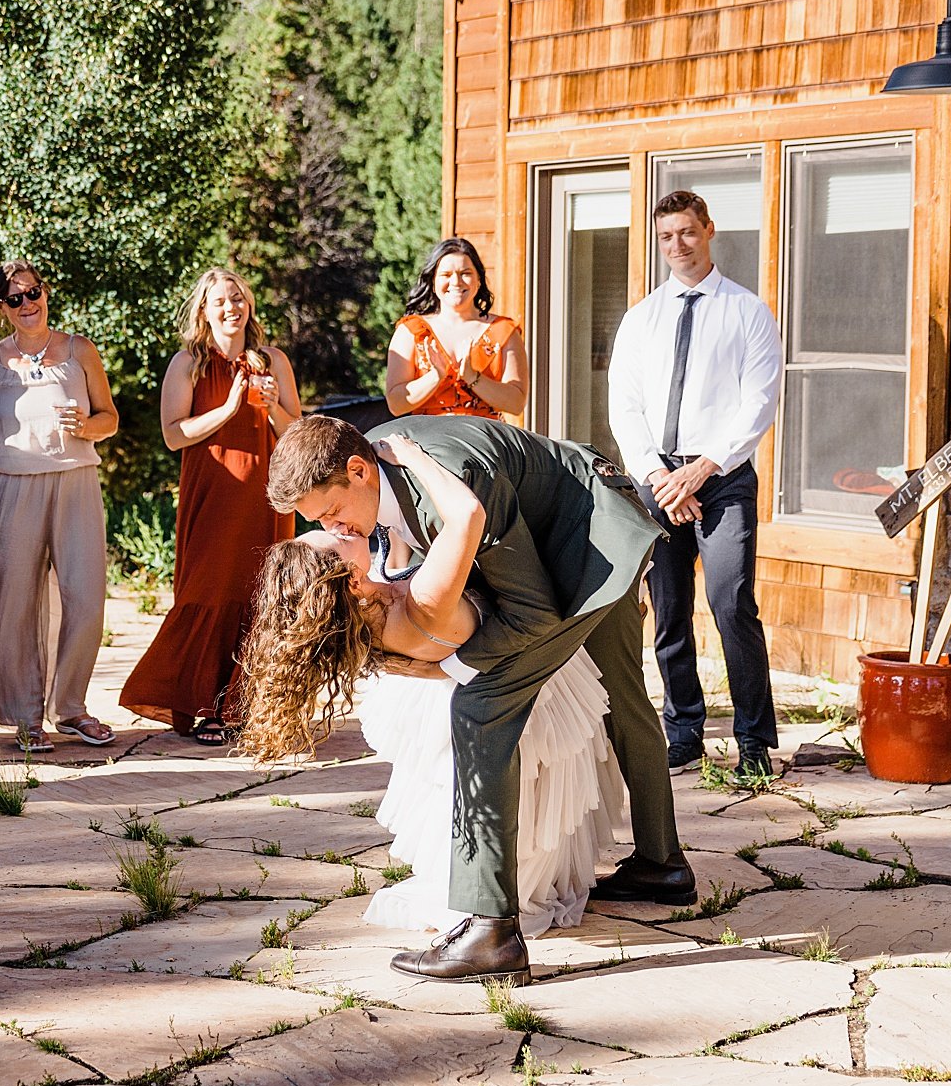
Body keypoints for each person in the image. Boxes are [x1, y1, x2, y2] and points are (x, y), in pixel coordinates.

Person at [266, 413, 690, 985]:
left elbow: (531, 613)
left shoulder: (448, 483)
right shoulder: (382, 477)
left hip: (596, 540)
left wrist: (459, 664)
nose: (335, 529)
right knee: (620, 700)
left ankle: (492, 932)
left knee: (482, 707)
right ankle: (662, 867)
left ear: (359, 470)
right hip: (563, 538)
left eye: (330, 513)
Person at [237, 438, 623, 939]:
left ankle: (478, 893)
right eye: (328, 535)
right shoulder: (420, 600)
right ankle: (492, 907)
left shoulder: (367, 614)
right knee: (524, 811)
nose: (332, 527)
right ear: (348, 580)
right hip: (518, 681)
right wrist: (413, 455)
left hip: (472, 684)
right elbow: (466, 515)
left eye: (328, 521)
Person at [609, 190, 783, 779]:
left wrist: (702, 469)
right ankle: (682, 731)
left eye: (687, 232)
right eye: (666, 236)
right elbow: (624, 408)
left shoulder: (747, 311)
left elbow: (759, 403)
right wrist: (659, 477)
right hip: (658, 481)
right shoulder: (642, 318)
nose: (677, 245)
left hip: (723, 478)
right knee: (670, 609)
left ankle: (754, 739)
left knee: (731, 604)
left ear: (708, 230)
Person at [118, 268, 302, 746]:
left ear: (250, 306)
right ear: (204, 310)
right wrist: (228, 410)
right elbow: (173, 434)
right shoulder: (189, 363)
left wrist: (275, 404)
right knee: (211, 588)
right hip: (213, 492)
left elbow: (295, 434)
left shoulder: (272, 360)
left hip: (266, 495)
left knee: (262, 594)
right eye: (220, 301)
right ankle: (205, 705)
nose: (230, 308)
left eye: (238, 298)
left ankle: (249, 706)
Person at [0, 260, 120, 751]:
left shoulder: (79, 350)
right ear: (2, 309)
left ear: (46, 293)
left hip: (75, 483)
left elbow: (110, 417)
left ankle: (71, 708)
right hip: (10, 487)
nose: (28, 304)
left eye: (34, 292)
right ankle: (26, 717)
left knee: (85, 600)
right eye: (15, 298)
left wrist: (86, 426)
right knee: (17, 604)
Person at [385, 238, 527, 420]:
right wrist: (436, 376)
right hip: (425, 440)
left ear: (478, 281)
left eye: (465, 273)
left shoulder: (504, 331)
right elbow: (396, 404)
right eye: (446, 274)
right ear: (433, 283)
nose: (456, 281)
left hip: (483, 440)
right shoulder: (411, 331)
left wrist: (472, 377)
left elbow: (516, 404)